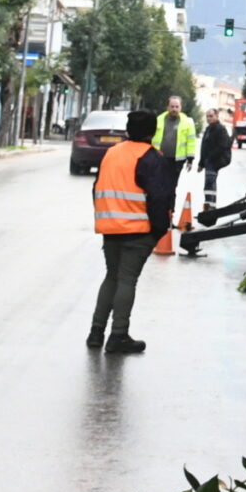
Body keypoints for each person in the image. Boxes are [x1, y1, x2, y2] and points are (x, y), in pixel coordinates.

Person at [87, 107, 176, 355]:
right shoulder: (151, 158)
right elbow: (159, 198)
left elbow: (97, 188)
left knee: (112, 277)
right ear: (152, 132)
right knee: (127, 280)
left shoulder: (112, 153)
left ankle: (96, 333)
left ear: (128, 130)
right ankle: (118, 335)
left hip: (110, 227)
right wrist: (158, 231)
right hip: (137, 230)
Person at [155, 96, 198, 179]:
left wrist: (190, 160)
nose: (174, 109)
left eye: (177, 107)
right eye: (172, 107)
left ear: (180, 108)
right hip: (159, 158)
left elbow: (191, 142)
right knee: (158, 181)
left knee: (172, 183)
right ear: (167, 107)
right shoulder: (158, 120)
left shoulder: (188, 122)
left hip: (177, 161)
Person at [198, 108, 232, 206]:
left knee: (209, 182)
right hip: (210, 161)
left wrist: (210, 159)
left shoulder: (220, 129)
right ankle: (210, 204)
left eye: (211, 116)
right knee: (209, 183)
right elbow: (204, 147)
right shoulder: (208, 129)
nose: (209, 118)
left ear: (217, 116)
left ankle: (210, 206)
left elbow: (223, 146)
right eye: (207, 116)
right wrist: (201, 163)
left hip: (217, 160)